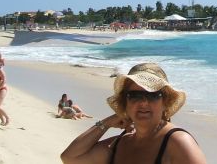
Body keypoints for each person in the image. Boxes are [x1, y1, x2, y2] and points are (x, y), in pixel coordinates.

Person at [61, 62, 206, 164]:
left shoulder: (177, 142)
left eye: (153, 95)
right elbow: (70, 157)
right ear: (126, 101)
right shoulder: (120, 143)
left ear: (165, 102)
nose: (143, 102)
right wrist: (107, 123)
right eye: (135, 96)